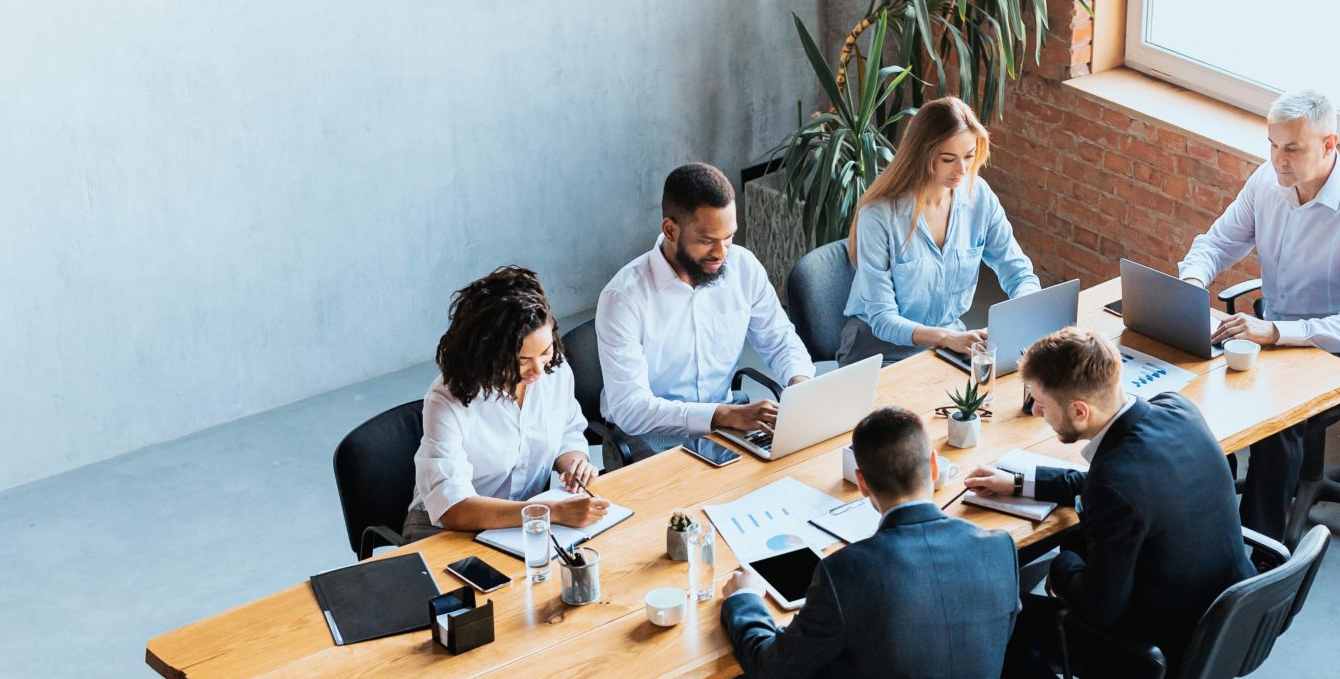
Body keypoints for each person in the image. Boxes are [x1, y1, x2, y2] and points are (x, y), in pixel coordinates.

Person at [963, 328, 1256, 679]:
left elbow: (1099, 609)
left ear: (1079, 411)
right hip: (1224, 623)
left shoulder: (1115, 485)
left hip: (1160, 656)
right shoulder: (1175, 410)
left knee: (1005, 627)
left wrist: (1065, 565)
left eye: (1040, 402)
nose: (1036, 411)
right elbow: (1109, 477)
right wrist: (1022, 481)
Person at [711, 406, 1020, 679]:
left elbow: (773, 670)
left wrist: (743, 602)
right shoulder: (998, 548)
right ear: (933, 466)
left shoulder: (847, 572)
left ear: (861, 484)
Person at [1175, 88, 1340, 543]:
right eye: (1272, 145)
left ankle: (1260, 550)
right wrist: (1194, 286)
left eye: (1292, 148)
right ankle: (1199, 526)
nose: (1278, 160)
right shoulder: (1266, 183)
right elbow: (1215, 244)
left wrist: (1274, 331)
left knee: (1276, 420)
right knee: (1188, 387)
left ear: (1329, 145)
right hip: (1272, 331)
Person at [596, 163, 816, 462]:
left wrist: (799, 384)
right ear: (670, 230)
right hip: (649, 434)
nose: (722, 253)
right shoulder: (623, 298)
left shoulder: (743, 267)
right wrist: (722, 415)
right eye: (707, 240)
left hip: (725, 424)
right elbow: (631, 410)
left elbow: (780, 340)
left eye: (729, 238)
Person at [404, 266, 608, 542]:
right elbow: (452, 507)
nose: (538, 369)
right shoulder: (447, 400)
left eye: (545, 352)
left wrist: (574, 464)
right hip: (445, 531)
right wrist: (550, 511)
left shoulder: (554, 372)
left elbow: (566, 432)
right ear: (487, 353)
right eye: (522, 360)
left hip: (523, 524)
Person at [839, 97, 1041, 365]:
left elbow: (1020, 275)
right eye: (948, 159)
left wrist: (1012, 321)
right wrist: (945, 337)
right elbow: (883, 319)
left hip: (948, 342)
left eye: (969, 156)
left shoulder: (978, 196)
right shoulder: (879, 214)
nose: (962, 170)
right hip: (879, 350)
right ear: (921, 155)